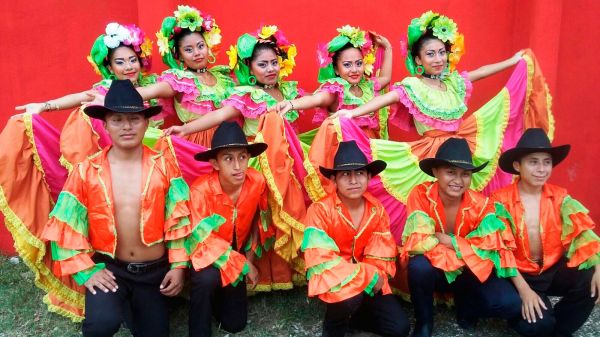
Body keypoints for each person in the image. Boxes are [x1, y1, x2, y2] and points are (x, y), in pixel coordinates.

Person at [303, 11, 555, 241]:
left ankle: (464, 247)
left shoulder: (455, 82)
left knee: (461, 196)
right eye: (430, 54)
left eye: (442, 52)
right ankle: (424, 250)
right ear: (418, 59)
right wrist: (350, 114)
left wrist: (513, 61)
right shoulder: (413, 85)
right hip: (430, 152)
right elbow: (384, 99)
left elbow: (481, 71)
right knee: (427, 203)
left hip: (461, 146)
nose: (438, 59)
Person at [0, 23, 165, 322]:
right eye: (120, 61)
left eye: (132, 60)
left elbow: (155, 95)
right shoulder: (102, 94)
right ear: (109, 66)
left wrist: (120, 100)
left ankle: (177, 272)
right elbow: (78, 98)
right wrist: (44, 106)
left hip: (158, 158)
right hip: (115, 160)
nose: (128, 66)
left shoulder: (159, 84)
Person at [41, 80, 191, 335]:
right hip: (111, 270)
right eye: (118, 120)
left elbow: (178, 220)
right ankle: (115, 308)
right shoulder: (86, 170)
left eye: (134, 119)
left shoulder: (164, 166)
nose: (127, 126)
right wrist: (86, 272)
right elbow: (65, 225)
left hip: (153, 272)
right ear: (106, 125)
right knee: (101, 325)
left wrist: (178, 267)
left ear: (146, 123)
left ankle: (136, 308)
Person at [165, 25, 307, 291]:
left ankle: (286, 273)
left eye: (274, 62)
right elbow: (220, 115)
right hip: (257, 161)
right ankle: (256, 274)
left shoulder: (289, 93)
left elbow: (318, 100)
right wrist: (185, 128)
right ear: (250, 69)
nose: (270, 69)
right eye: (262, 64)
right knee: (261, 218)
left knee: (286, 211)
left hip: (285, 162)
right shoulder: (247, 94)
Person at [402, 137, 521, 337]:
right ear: (435, 172)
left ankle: (467, 308)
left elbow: (488, 248)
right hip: (437, 271)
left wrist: (451, 241)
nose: (458, 181)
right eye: (450, 172)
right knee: (419, 266)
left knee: (511, 304)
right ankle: (424, 321)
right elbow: (420, 241)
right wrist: (467, 247)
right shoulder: (420, 194)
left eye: (465, 174)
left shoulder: (482, 204)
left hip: (469, 272)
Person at [491, 128, 600, 337]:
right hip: (517, 274)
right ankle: (530, 317)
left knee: (589, 280)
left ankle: (557, 329)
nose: (541, 169)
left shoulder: (560, 198)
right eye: (533, 162)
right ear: (517, 166)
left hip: (550, 270)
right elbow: (500, 250)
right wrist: (524, 291)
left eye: (546, 162)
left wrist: (598, 267)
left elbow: (584, 233)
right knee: (538, 326)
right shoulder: (500, 201)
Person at [302, 140, 410, 337]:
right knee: (349, 298)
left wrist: (371, 277)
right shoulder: (319, 210)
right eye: (346, 175)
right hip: (336, 280)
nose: (354, 180)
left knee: (399, 329)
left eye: (359, 173)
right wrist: (365, 274)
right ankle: (334, 326)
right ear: (334, 180)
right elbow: (321, 260)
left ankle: (355, 316)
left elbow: (381, 253)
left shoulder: (377, 209)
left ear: (369, 177)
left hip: (368, 281)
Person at [186, 121, 273, 336]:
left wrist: (249, 260)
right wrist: (243, 265)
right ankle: (198, 329)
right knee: (207, 279)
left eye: (242, 157)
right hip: (205, 256)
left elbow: (258, 224)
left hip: (237, 252)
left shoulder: (257, 181)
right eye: (228, 159)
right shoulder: (200, 190)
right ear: (215, 164)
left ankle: (219, 299)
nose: (237, 166)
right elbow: (201, 239)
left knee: (235, 324)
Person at [134, 5, 235, 147]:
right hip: (197, 145)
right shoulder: (181, 81)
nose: (197, 53)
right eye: (189, 49)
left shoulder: (224, 78)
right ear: (179, 55)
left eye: (200, 46)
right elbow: (146, 92)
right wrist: (107, 97)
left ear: (208, 46)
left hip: (229, 143)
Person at [274, 25, 393, 139]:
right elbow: (316, 99)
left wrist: (388, 48)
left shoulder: (367, 85)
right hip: (346, 151)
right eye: (347, 65)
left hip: (371, 147)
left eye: (359, 63)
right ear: (336, 69)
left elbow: (386, 78)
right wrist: (291, 104)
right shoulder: (337, 89)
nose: (354, 70)